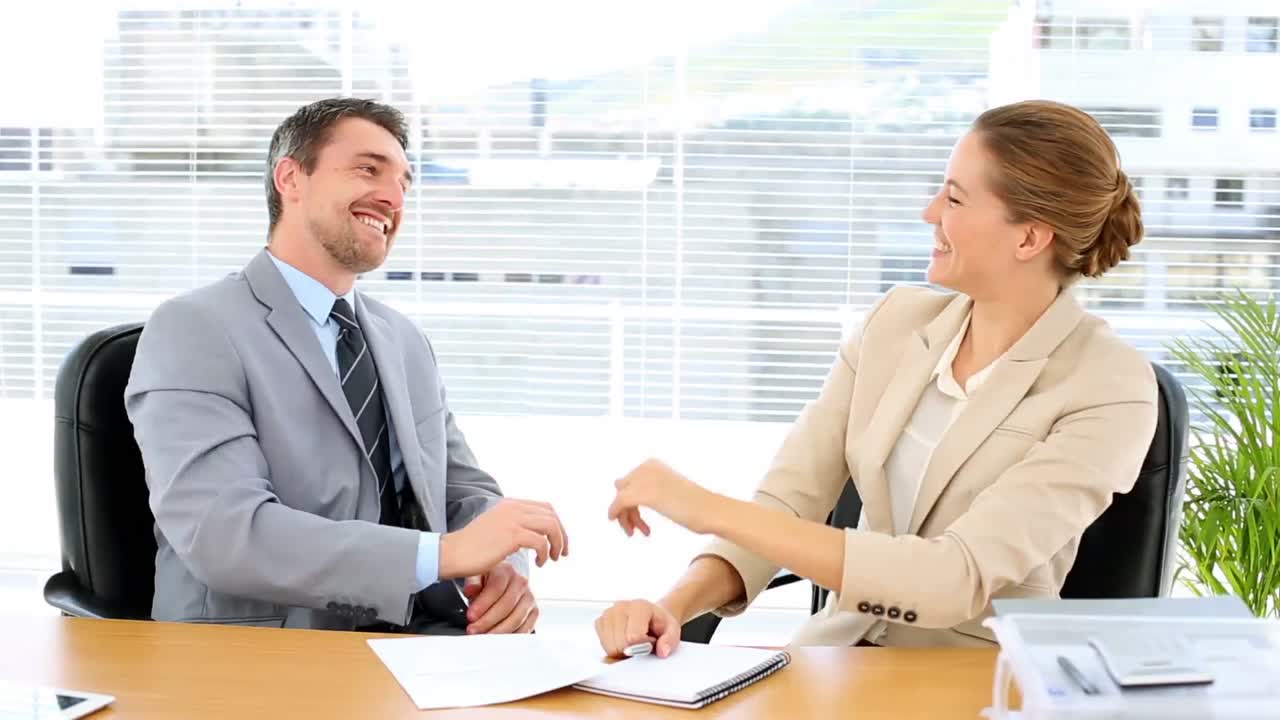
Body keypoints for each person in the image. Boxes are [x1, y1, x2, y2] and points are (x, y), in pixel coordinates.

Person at [594, 99, 1157, 656]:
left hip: (978, 683)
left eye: (954, 198)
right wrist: (675, 607)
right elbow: (791, 500)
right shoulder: (895, 325)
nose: (930, 211)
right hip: (834, 662)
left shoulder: (1110, 386)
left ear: (1029, 238)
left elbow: (954, 578)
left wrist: (703, 505)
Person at [126, 97, 568, 634]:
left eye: (405, 182)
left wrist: (501, 565)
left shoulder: (402, 340)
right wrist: (442, 555)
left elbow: (464, 492)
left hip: (421, 642)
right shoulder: (195, 328)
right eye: (368, 169)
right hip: (263, 655)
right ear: (291, 178)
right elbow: (224, 534)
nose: (393, 196)